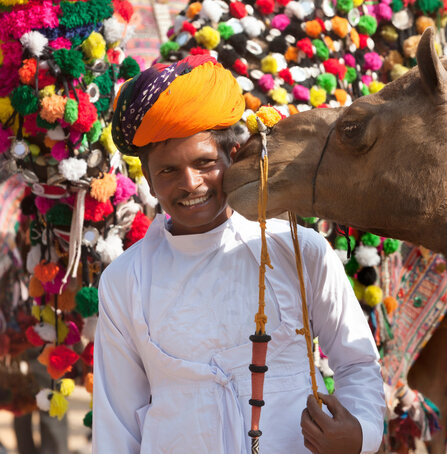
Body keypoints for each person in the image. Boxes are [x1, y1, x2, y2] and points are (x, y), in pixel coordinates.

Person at [93, 54, 385, 453]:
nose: (190, 183)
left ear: (233, 157)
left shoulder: (301, 251)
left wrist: (362, 435)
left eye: (204, 162)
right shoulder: (124, 280)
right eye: (168, 171)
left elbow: (357, 363)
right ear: (147, 177)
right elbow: (118, 421)